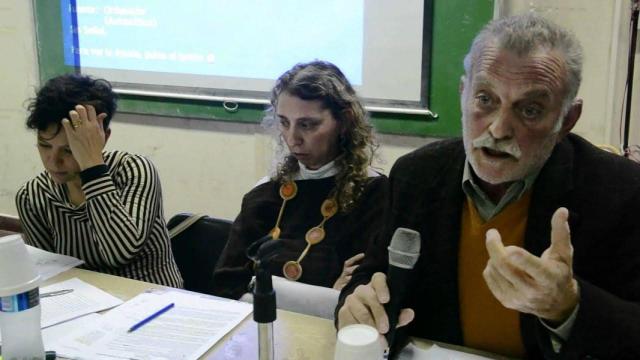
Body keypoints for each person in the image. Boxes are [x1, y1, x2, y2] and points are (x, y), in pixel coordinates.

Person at [336, 14, 640, 359]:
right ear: (464, 94)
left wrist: (568, 307)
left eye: (529, 110)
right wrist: (356, 304)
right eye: (485, 99)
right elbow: (374, 273)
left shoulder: (621, 192)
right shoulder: (416, 175)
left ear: (567, 119)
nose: (498, 129)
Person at [212, 61, 387, 300]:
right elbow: (226, 284)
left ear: (344, 121)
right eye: (284, 122)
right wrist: (326, 291)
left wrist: (261, 288)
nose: (293, 138)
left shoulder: (373, 194)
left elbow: (359, 292)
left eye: (307, 125)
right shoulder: (264, 193)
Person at [16, 74, 183, 287]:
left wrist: (92, 165)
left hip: (152, 300)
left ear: (101, 138)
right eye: (45, 145)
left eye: (69, 149)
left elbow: (120, 252)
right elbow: (49, 275)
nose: (54, 161)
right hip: (83, 307)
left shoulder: (133, 170)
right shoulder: (33, 196)